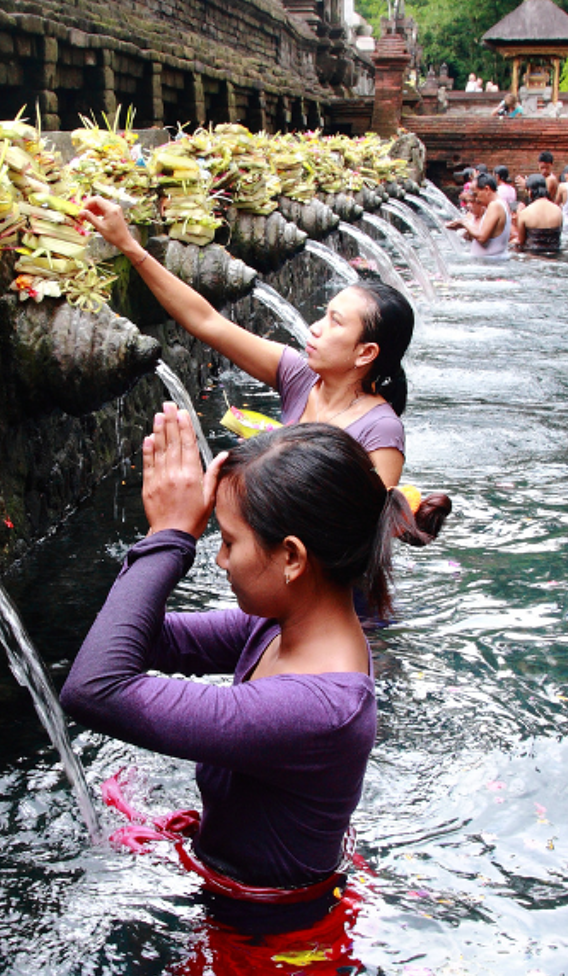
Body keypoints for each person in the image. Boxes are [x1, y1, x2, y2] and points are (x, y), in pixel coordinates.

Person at [61, 415, 413, 938]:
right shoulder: (280, 625)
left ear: (291, 557)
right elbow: (129, 641)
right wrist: (165, 535)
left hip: (266, 939)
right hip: (234, 890)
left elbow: (94, 688)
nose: (220, 560)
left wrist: (170, 538)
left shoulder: (319, 709)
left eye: (228, 541)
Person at [80, 196, 419, 494]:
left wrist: (267, 467)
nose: (316, 328)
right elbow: (206, 321)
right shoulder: (300, 377)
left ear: (365, 352)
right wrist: (129, 246)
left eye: (336, 322)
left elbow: (371, 530)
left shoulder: (378, 430)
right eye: (324, 315)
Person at [446, 173, 512, 258]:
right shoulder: (502, 203)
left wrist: (463, 223)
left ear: (487, 189)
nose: (477, 199)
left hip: (489, 262)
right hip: (492, 259)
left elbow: (482, 237)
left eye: (476, 194)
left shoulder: (495, 206)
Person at [511, 178, 564, 253]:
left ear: (530, 191)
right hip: (555, 254)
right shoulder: (558, 210)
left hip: (532, 255)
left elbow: (521, 241)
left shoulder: (525, 213)